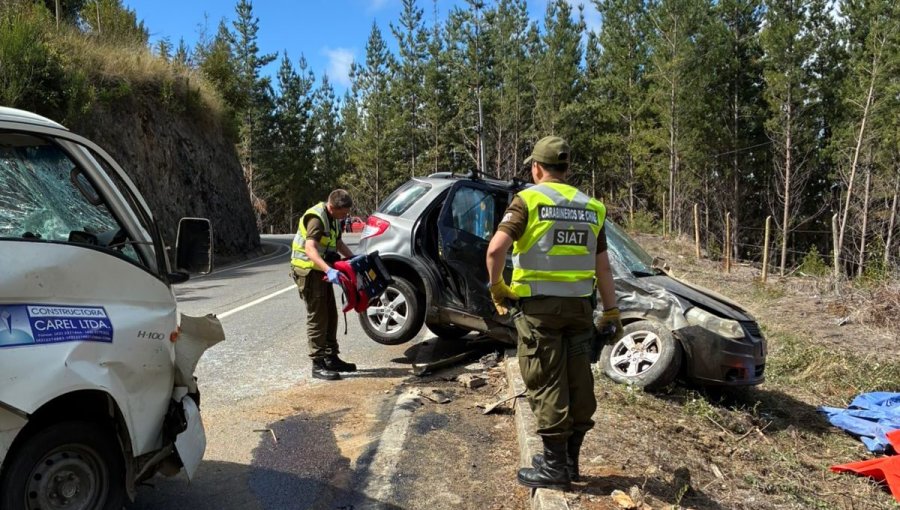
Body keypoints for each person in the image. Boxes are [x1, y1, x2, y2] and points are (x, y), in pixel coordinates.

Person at [485, 136, 623, 490]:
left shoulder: (528, 200)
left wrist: (497, 287)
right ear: (567, 169)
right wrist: (611, 311)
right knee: (578, 379)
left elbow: (495, 250)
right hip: (580, 308)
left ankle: (554, 469)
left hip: (539, 311)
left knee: (546, 380)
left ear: (536, 168)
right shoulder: (592, 207)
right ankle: (568, 462)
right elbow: (603, 268)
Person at [291, 189, 358, 381]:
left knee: (330, 314)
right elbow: (310, 249)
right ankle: (318, 363)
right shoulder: (317, 219)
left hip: (320, 271)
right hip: (308, 272)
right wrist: (328, 270)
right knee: (318, 318)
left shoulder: (334, 219)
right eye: (343, 213)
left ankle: (331, 357)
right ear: (332, 207)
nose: (345, 216)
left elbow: (337, 243)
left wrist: (353, 259)